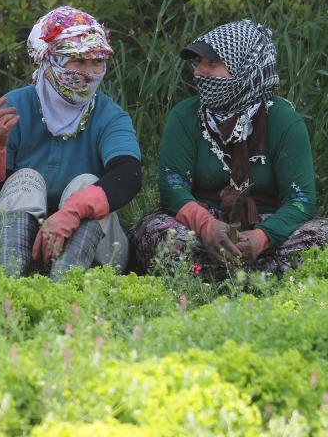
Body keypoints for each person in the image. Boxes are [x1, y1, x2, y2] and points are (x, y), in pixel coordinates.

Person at [130, 19, 327, 277]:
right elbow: (172, 186)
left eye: (211, 63)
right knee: (155, 232)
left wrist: (261, 238)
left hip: (269, 224)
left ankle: (218, 277)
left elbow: (301, 200)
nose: (198, 72)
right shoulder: (185, 116)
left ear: (245, 70)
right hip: (201, 225)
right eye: (198, 63)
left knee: (320, 239)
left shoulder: (284, 122)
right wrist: (207, 226)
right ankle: (258, 278)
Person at [0, 6, 142, 278]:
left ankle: (64, 282)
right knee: (26, 179)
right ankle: (10, 277)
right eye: (77, 60)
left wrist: (70, 213)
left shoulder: (110, 116)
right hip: (7, 241)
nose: (89, 72)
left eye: (97, 61)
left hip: (90, 250)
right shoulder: (14, 107)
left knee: (85, 183)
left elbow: (128, 176)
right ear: (47, 60)